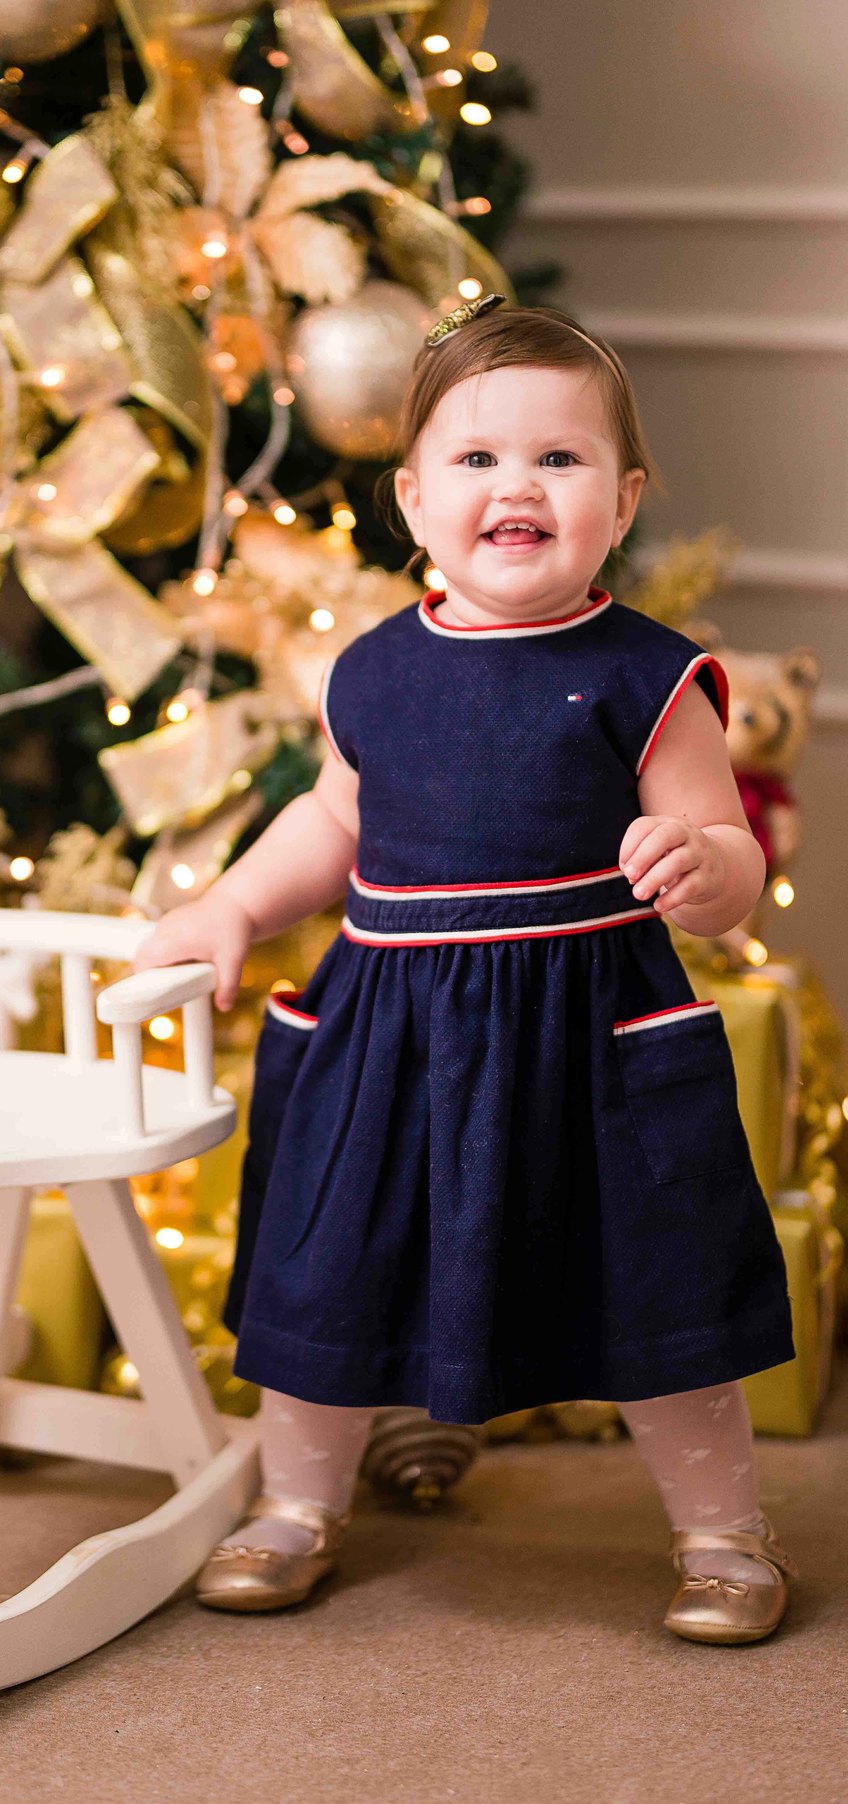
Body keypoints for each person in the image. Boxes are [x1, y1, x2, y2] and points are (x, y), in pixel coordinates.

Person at [130, 294, 797, 1644]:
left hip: (587, 1033)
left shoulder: (650, 677)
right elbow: (333, 821)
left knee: (655, 1281)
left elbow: (730, 853)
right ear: (414, 499)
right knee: (328, 1271)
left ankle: (724, 1534)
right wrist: (230, 903)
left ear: (622, 499)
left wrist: (705, 865)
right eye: (479, 458)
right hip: (390, 1036)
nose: (519, 485)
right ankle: (297, 1502)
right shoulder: (374, 671)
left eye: (560, 458)